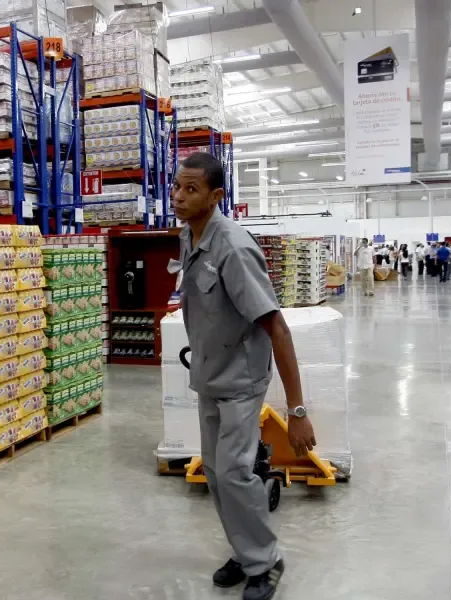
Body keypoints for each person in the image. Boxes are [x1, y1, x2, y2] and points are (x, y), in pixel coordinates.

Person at [171, 152, 314, 600]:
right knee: (216, 474)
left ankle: (265, 562)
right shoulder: (188, 236)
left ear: (215, 196)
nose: (178, 196)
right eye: (176, 186)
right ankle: (246, 548)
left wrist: (297, 411)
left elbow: (278, 328)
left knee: (234, 472)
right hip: (209, 375)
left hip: (240, 380)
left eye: (191, 189)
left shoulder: (233, 247)